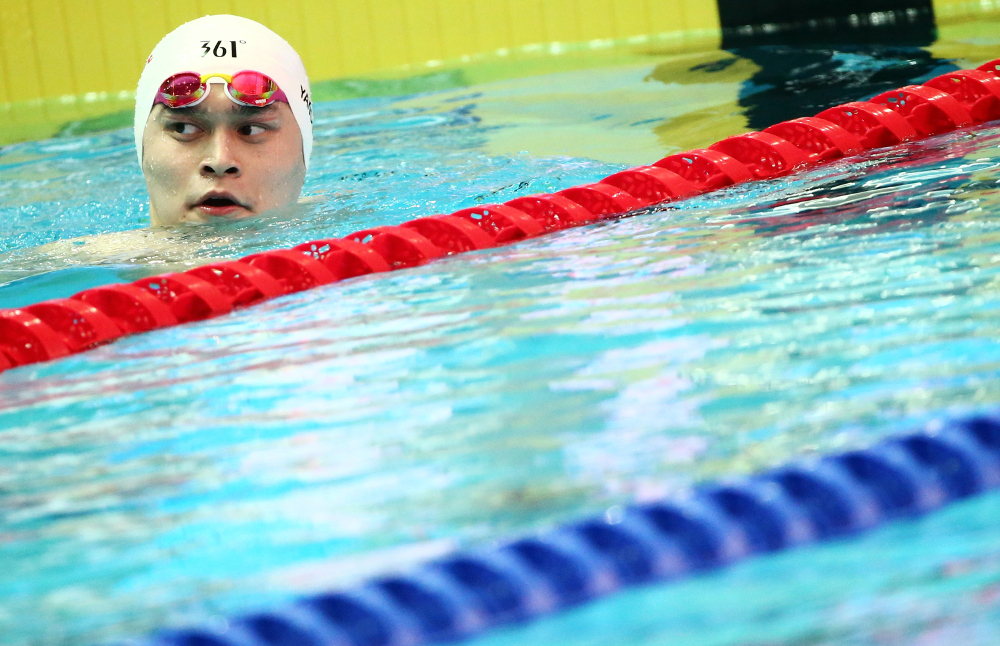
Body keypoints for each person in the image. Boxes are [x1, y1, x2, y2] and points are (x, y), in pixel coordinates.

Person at [134, 14, 314, 226]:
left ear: (305, 148)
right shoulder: (94, 260)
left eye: (251, 130)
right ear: (142, 146)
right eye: (183, 128)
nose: (220, 161)